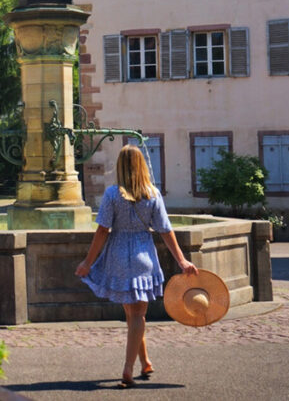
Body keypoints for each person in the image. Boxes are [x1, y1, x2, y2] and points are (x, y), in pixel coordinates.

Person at [75, 144, 199, 388]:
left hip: (119, 256)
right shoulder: (153, 194)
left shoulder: (112, 194)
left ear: (120, 167)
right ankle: (139, 364)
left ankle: (132, 366)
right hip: (144, 255)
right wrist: (182, 260)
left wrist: (88, 262)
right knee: (137, 314)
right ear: (142, 166)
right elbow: (165, 230)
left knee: (132, 314)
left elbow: (102, 230)